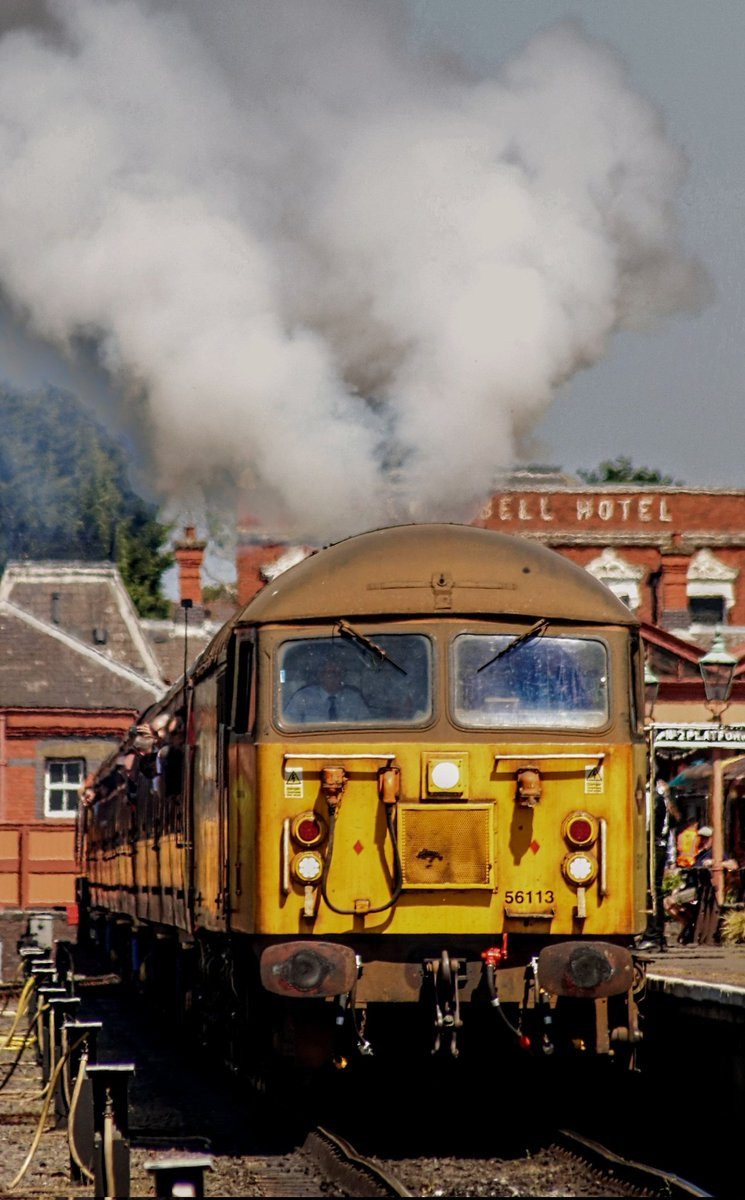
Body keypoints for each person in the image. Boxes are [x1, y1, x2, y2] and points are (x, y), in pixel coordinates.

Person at [636, 781, 680, 952]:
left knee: (650, 890)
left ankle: (653, 935)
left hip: (651, 846)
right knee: (655, 890)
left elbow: (648, 825)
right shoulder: (660, 796)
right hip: (658, 846)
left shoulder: (651, 797)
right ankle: (657, 935)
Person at [284, 653, 370, 723]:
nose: (334, 676)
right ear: (320, 675)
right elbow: (289, 722)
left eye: (338, 673)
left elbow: (366, 724)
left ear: (343, 676)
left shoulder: (354, 699)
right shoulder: (303, 697)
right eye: (329, 672)